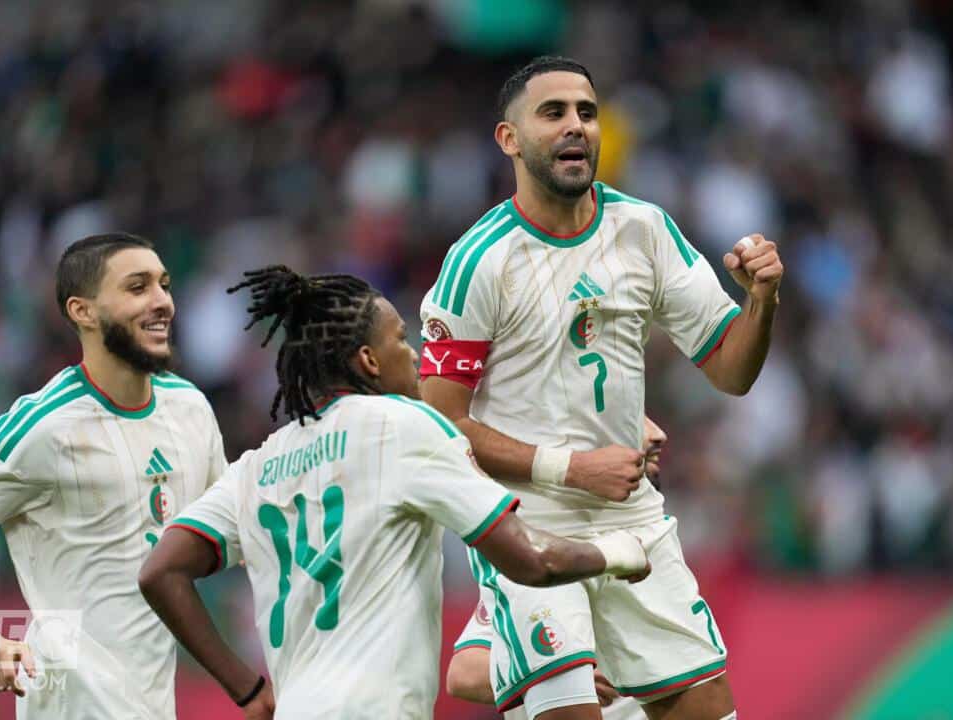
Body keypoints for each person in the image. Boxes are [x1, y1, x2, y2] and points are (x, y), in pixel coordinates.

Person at [419, 55, 784, 720]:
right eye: (553, 113)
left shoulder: (644, 230)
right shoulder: (479, 261)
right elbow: (440, 428)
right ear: (509, 139)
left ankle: (502, 661)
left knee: (709, 707)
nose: (575, 126)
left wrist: (761, 300)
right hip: (526, 529)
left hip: (634, 521)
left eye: (586, 113)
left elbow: (732, 372)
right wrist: (574, 468)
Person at [138, 265, 652, 719]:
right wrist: (619, 551)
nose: (414, 354)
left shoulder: (255, 467)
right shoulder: (403, 425)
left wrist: (246, 689)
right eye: (401, 340)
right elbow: (532, 560)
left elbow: (160, 572)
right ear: (369, 359)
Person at [0, 234, 229, 719]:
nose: (162, 301)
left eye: (164, 285)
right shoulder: (42, 427)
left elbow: (228, 531)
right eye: (137, 287)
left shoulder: (191, 409)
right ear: (83, 311)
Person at [445, 417, 669, 720]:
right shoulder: (563, 562)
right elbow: (464, 673)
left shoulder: (662, 560)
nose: (658, 435)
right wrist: (559, 675)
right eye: (638, 420)